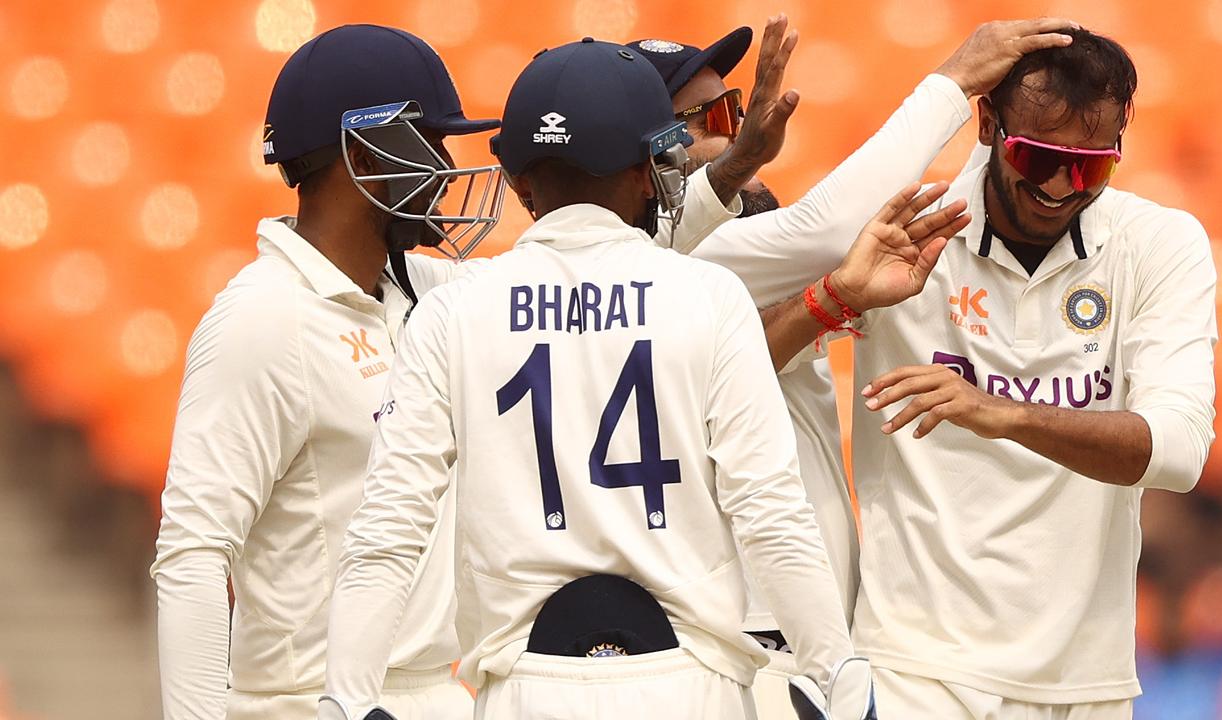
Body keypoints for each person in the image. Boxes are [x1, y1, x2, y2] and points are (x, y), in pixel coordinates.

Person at [151, 17, 807, 720]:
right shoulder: (262, 322)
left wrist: (729, 171)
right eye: (432, 143)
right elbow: (192, 557)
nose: (445, 170)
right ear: (366, 156)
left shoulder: (426, 296)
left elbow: (595, 263)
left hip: (440, 693)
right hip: (306, 704)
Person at [318, 26, 966, 719]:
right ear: (648, 166)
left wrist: (347, 699)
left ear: (517, 180)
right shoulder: (708, 297)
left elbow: (387, 534)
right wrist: (835, 669)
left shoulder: (451, 312)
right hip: (694, 685)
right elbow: (771, 516)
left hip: (524, 690)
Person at [628, 18, 1077, 718]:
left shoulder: (711, 248)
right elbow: (830, 229)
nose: (746, 131)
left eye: (737, 109)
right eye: (716, 118)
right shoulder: (659, 255)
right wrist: (954, 83)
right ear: (647, 151)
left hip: (789, 645)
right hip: (746, 647)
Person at [847, 28, 1215, 717]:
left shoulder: (1159, 244)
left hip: (1087, 681)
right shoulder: (901, 226)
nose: (1056, 185)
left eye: (1089, 167)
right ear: (987, 123)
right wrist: (835, 299)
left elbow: (1179, 451)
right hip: (912, 669)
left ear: (1121, 145)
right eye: (1036, 155)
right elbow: (733, 312)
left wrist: (999, 411)